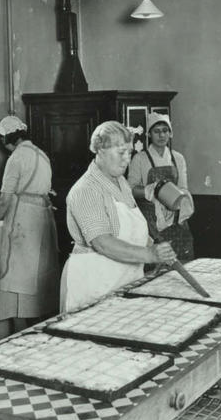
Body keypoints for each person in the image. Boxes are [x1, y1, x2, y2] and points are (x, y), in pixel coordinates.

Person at [60, 120, 178, 312]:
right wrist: (149, 254)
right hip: (95, 282)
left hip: (124, 279)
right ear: (100, 150)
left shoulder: (120, 182)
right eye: (120, 152)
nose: (126, 159)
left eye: (129, 153)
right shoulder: (86, 189)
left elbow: (132, 230)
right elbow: (102, 243)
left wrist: (154, 248)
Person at [0, 115, 59, 333]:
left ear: (5, 139)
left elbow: (4, 199)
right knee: (38, 277)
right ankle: (39, 331)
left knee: (17, 277)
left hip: (23, 219)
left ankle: (20, 334)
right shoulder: (42, 154)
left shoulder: (16, 158)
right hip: (43, 217)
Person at [127, 112, 195, 261]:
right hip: (150, 222)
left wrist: (177, 202)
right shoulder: (139, 159)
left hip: (176, 220)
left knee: (183, 262)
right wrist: (148, 191)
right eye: (156, 131)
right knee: (155, 267)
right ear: (149, 134)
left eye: (165, 131)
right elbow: (129, 189)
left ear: (170, 133)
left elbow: (183, 187)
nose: (161, 135)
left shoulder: (178, 158)